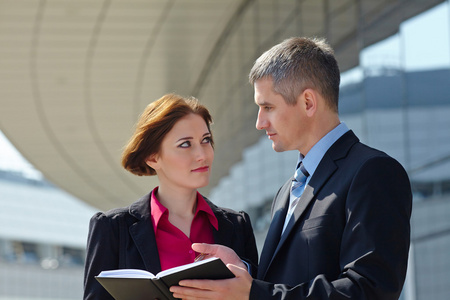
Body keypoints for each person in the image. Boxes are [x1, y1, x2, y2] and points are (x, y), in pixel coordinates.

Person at [170, 37, 412, 300]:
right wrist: (244, 272)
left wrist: (254, 293)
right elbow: (282, 282)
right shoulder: (287, 191)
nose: (260, 123)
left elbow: (369, 290)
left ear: (308, 102)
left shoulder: (373, 172)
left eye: (268, 107)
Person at [83, 93, 259, 300]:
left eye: (206, 140)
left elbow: (258, 293)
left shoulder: (237, 225)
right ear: (152, 157)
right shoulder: (112, 228)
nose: (202, 154)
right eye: (185, 144)